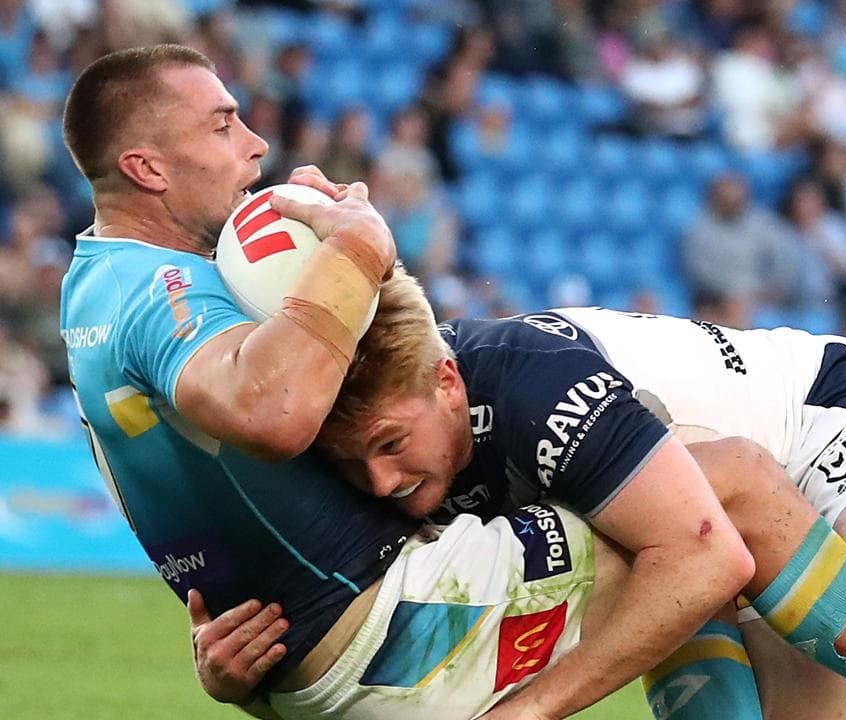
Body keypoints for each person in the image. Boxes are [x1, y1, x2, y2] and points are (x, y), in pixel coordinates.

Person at [58, 44, 759, 720]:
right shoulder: (165, 291)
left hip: (316, 658)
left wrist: (231, 660)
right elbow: (272, 411)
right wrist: (360, 245)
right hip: (396, 633)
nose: (254, 144)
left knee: (677, 513)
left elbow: (197, 483)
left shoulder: (97, 287)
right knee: (728, 488)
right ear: (147, 168)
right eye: (221, 125)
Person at [197, 282, 846, 720]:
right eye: (351, 462)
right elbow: (369, 624)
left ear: (448, 385)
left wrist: (537, 709)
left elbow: (707, 546)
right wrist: (242, 676)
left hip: (825, 421)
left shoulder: (529, 385)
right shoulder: (402, 447)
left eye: (386, 447)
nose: (378, 483)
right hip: (709, 518)